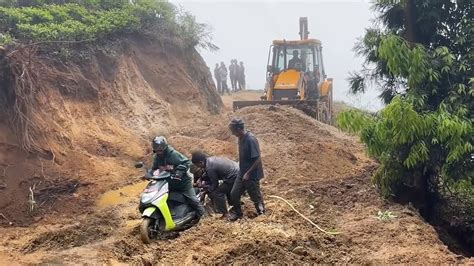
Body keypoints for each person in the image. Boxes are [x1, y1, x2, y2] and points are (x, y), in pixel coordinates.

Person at [151, 136, 205, 217]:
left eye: (160, 150)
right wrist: (150, 174)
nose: (159, 152)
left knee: (193, 200)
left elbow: (187, 162)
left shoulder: (173, 155)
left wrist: (179, 171)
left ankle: (204, 217)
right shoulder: (156, 158)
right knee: (160, 199)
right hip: (168, 184)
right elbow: (155, 169)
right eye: (157, 150)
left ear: (165, 148)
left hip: (183, 184)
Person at [227, 118, 265, 221]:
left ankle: (262, 214)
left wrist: (248, 173)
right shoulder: (240, 138)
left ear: (239, 129)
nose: (232, 133)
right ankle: (238, 214)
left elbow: (257, 159)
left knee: (255, 196)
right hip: (242, 172)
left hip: (252, 174)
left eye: (233, 131)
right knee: (234, 194)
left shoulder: (251, 139)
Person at [191, 151, 239, 218]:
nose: (198, 167)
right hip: (236, 170)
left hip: (234, 176)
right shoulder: (209, 160)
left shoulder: (209, 168)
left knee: (218, 193)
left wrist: (205, 191)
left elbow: (215, 185)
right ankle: (233, 203)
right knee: (225, 188)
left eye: (197, 165)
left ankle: (225, 213)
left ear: (201, 162)